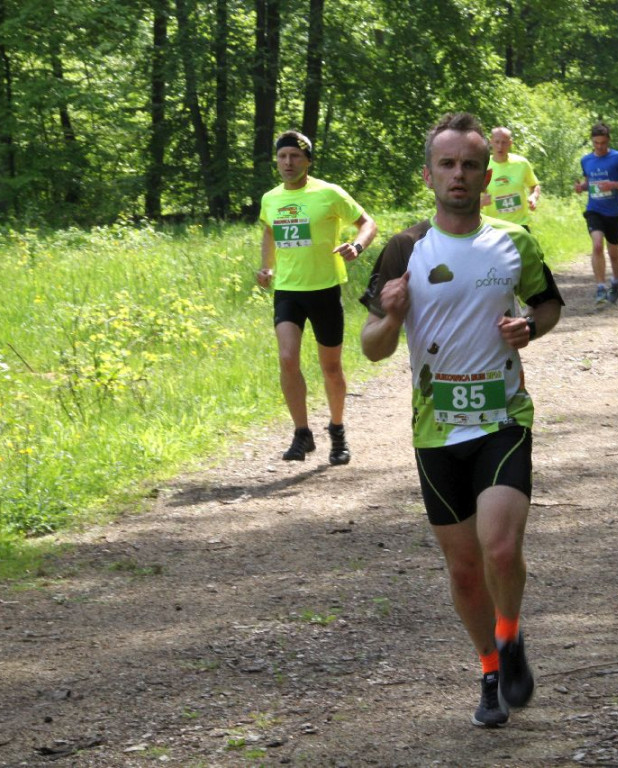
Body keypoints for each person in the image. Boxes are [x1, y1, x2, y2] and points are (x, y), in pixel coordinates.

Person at [359, 112, 564, 728]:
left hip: (503, 417)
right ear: (428, 174)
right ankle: (489, 667)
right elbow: (371, 345)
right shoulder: (404, 248)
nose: (458, 174)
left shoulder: (515, 240)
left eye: (469, 165)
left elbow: (548, 304)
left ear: (486, 173)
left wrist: (528, 328)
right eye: (446, 164)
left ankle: (510, 634)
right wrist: (391, 316)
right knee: (464, 567)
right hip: (435, 429)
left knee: (500, 550)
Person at [258, 130, 378, 464]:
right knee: (286, 358)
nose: (288, 162)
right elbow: (269, 232)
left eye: (295, 156)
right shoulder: (271, 199)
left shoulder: (329, 193)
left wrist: (357, 245)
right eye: (282, 157)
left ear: (308, 160)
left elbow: (368, 222)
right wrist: (266, 268)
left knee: (331, 368)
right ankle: (301, 434)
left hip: (324, 290)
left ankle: (337, 431)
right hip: (288, 291)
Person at [573, 123, 618, 304]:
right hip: (594, 210)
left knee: (613, 251)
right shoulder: (586, 160)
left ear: (608, 141)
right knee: (597, 245)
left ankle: (615, 282)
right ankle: (600, 287)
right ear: (592, 141)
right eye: (596, 143)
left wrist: (613, 185)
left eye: (603, 143)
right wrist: (581, 188)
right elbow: (589, 183)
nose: (599, 146)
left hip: (614, 213)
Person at [481, 126, 541, 231]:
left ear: (510, 143)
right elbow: (469, 197)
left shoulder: (521, 163)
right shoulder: (482, 166)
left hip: (520, 225)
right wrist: (481, 202)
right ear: (491, 142)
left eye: (504, 142)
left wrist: (533, 197)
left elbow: (534, 185)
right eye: (497, 142)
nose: (500, 146)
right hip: (494, 226)